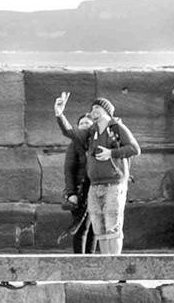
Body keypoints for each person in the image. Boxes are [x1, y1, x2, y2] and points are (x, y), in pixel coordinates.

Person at [53, 92, 141, 255]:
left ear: (107, 111)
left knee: (112, 225)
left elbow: (135, 149)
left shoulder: (117, 128)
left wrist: (111, 153)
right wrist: (59, 114)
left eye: (97, 108)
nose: (93, 111)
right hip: (94, 185)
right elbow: (70, 132)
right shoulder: (90, 132)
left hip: (114, 183)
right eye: (92, 108)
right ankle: (105, 263)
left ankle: (114, 263)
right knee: (99, 228)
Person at [60, 110, 96, 253]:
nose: (84, 125)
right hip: (81, 192)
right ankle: (79, 261)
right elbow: (69, 170)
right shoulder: (74, 144)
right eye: (81, 123)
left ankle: (91, 261)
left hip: (97, 189)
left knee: (94, 229)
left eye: (87, 123)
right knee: (81, 228)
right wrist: (71, 193)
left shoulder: (98, 142)